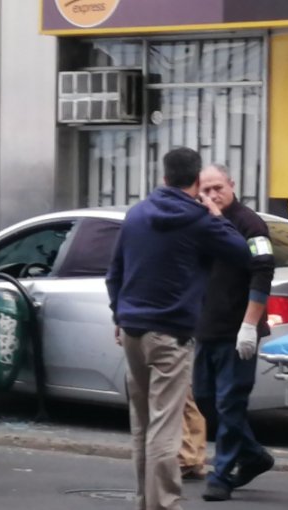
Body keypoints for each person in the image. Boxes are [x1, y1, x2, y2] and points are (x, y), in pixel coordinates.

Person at [105, 147, 250, 510]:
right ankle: (165, 504)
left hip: (133, 331)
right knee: (166, 427)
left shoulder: (136, 215)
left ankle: (146, 501)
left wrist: (118, 316)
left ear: (164, 177)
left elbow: (115, 274)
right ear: (197, 181)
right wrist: (216, 214)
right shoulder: (199, 220)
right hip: (170, 334)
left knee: (142, 426)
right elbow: (241, 252)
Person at [193, 164, 276, 502]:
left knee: (230, 403)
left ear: (232, 184)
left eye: (218, 187)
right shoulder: (202, 225)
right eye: (206, 190)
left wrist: (249, 325)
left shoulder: (250, 224)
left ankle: (222, 475)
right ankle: (254, 454)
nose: (213, 195)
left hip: (237, 331)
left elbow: (263, 271)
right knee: (204, 399)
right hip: (206, 329)